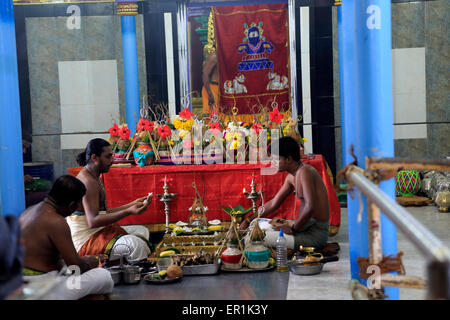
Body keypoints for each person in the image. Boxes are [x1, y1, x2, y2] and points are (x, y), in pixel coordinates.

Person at [19, 175, 114, 300]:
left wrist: (81, 260)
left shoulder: (28, 211)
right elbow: (75, 267)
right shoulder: (56, 222)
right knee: (104, 276)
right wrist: (91, 261)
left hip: (18, 284)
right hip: (41, 290)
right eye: (78, 204)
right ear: (71, 205)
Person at [66, 138, 153, 263]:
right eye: (108, 157)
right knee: (136, 245)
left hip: (98, 231)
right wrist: (128, 211)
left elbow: (103, 212)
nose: (112, 161)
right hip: (86, 240)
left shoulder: (94, 175)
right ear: (94, 157)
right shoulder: (88, 181)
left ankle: (124, 268)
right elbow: (93, 221)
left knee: (142, 231)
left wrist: (132, 204)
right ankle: (135, 273)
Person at [239, 136, 330, 250]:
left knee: (252, 238)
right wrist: (249, 219)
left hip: (313, 235)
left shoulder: (305, 172)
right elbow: (273, 203)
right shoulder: (291, 176)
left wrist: (293, 229)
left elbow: (310, 206)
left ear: (288, 159)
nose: (273, 163)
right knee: (258, 225)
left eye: (276, 159)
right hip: (301, 228)